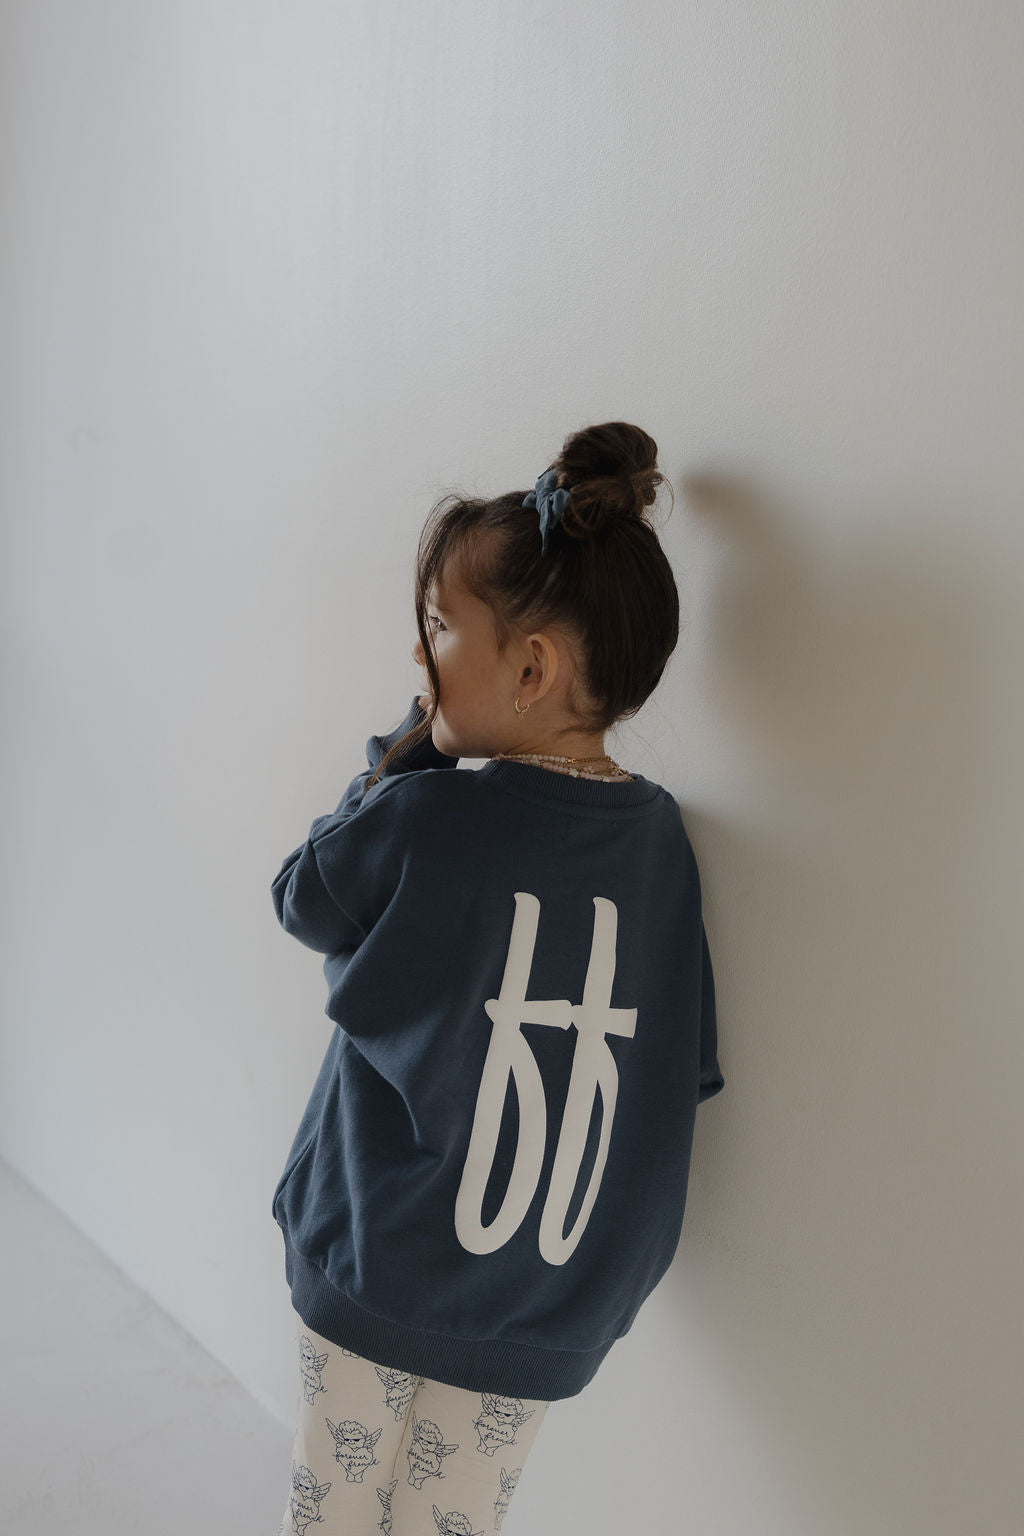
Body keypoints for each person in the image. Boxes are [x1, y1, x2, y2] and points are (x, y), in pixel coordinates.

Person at [270, 420, 725, 1536]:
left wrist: (407, 748)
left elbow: (305, 896)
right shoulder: (659, 844)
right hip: (544, 1298)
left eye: (437, 628)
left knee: (333, 1512)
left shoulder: (427, 812)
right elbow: (678, 1067)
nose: (420, 657)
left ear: (528, 668)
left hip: (381, 1258)